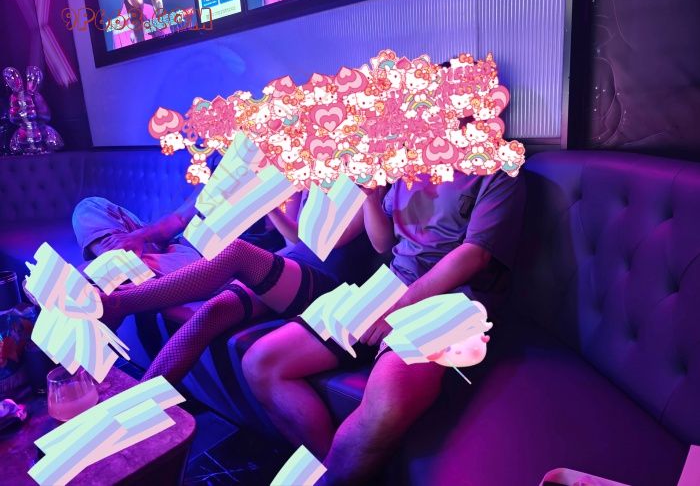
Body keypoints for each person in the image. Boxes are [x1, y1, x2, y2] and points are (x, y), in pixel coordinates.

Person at [242, 168, 526, 485]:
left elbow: (475, 255)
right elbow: (383, 244)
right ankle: (331, 472)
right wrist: (370, 199)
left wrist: (399, 308)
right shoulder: (410, 164)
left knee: (389, 403)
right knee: (262, 363)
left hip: (456, 297)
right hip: (392, 282)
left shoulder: (499, 173)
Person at [97, 188, 375, 385]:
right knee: (213, 311)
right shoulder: (307, 174)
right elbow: (292, 238)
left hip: (329, 281)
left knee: (237, 252)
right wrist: (272, 203)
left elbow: (328, 241)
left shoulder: (364, 179)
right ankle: (140, 406)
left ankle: (116, 303)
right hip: (291, 268)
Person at [72, 153, 284, 277]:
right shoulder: (223, 173)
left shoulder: (276, 192)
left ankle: (109, 267)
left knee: (127, 270)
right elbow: (179, 219)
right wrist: (139, 236)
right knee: (89, 206)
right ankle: (115, 259)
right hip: (172, 245)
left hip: (201, 259)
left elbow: (286, 245)